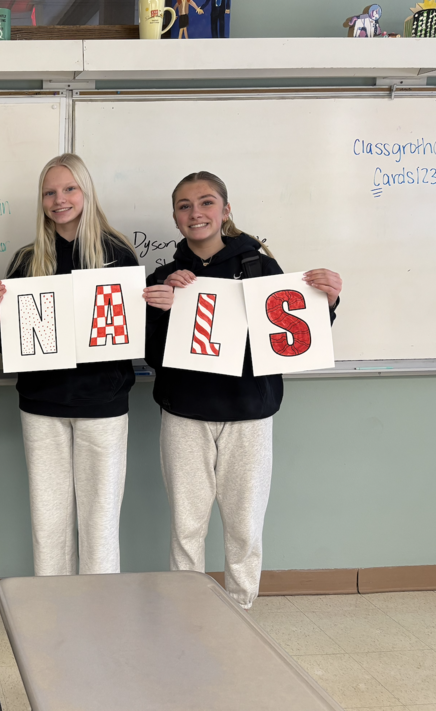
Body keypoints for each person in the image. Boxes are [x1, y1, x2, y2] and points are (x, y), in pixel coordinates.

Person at [142, 171, 342, 609]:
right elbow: (153, 355)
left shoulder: (259, 266)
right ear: (175, 217)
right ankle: (186, 606)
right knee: (186, 522)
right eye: (184, 206)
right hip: (184, 414)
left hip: (249, 415)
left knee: (244, 523)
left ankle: (242, 606)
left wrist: (327, 303)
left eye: (207, 202)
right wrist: (164, 312)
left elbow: (290, 340)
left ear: (226, 210)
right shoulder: (166, 275)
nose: (196, 213)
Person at [0, 154, 139, 577]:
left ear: (86, 191)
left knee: (100, 521)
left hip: (103, 405)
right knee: (49, 521)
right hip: (42, 406)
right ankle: (52, 611)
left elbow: (130, 333)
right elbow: (9, 345)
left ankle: (99, 610)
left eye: (69, 189)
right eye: (50, 192)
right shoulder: (26, 261)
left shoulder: (118, 255)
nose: (60, 200)